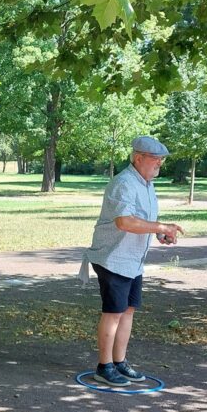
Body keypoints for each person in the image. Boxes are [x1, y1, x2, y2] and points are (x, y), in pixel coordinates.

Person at [79, 136, 184, 387]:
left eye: (162, 159)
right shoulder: (124, 183)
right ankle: (104, 367)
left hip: (132, 260)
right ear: (139, 158)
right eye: (155, 159)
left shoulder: (146, 184)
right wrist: (159, 225)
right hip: (113, 258)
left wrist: (158, 233)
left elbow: (141, 220)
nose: (160, 163)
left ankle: (119, 362)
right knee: (113, 313)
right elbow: (124, 222)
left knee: (128, 311)